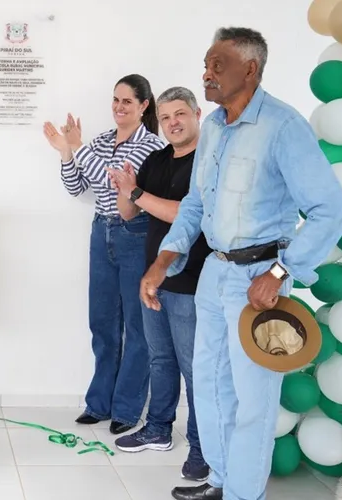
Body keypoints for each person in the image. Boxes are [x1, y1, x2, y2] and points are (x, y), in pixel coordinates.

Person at [144, 28, 342, 500]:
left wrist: (281, 273)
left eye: (218, 65)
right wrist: (165, 260)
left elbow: (331, 209)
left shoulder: (283, 126)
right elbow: (196, 203)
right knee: (211, 386)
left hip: (259, 282)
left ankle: (244, 495)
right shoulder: (214, 128)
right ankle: (220, 482)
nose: (206, 74)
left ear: (250, 69)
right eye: (205, 64)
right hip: (213, 273)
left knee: (254, 400)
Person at [43, 74, 166, 435]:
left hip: (135, 234)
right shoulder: (99, 141)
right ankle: (99, 404)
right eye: (115, 99)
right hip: (101, 232)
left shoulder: (152, 146)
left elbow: (116, 185)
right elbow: (77, 186)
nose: (118, 107)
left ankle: (127, 409)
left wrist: (78, 147)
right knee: (102, 322)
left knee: (137, 327)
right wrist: (67, 153)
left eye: (127, 101)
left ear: (144, 106)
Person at [108, 87, 212, 482]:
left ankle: (203, 449)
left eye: (180, 114)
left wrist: (138, 192)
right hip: (154, 279)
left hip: (191, 283)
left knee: (196, 370)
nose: (172, 123)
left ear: (197, 114)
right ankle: (158, 429)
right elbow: (130, 212)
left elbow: (185, 213)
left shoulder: (208, 161)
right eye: (166, 117)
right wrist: (125, 188)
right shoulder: (157, 159)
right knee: (160, 360)